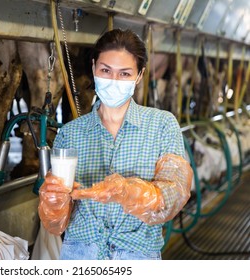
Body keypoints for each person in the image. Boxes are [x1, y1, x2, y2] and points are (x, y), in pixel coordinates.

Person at [38, 28, 193, 260]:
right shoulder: (70, 133)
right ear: (93, 68)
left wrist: (127, 192)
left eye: (124, 74)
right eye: (105, 70)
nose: (113, 81)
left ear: (139, 76)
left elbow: (174, 195)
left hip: (137, 256)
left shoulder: (161, 125)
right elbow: (57, 225)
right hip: (80, 255)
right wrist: (54, 201)